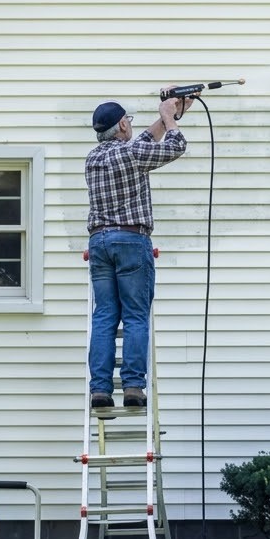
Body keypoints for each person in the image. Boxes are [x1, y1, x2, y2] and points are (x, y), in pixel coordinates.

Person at [84, 92, 193, 413]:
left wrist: (171, 113)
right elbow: (176, 145)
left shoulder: (92, 158)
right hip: (131, 240)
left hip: (99, 242)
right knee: (134, 314)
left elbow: (144, 141)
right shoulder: (132, 154)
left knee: (105, 315)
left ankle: (100, 390)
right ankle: (133, 386)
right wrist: (169, 118)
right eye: (128, 121)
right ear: (122, 125)